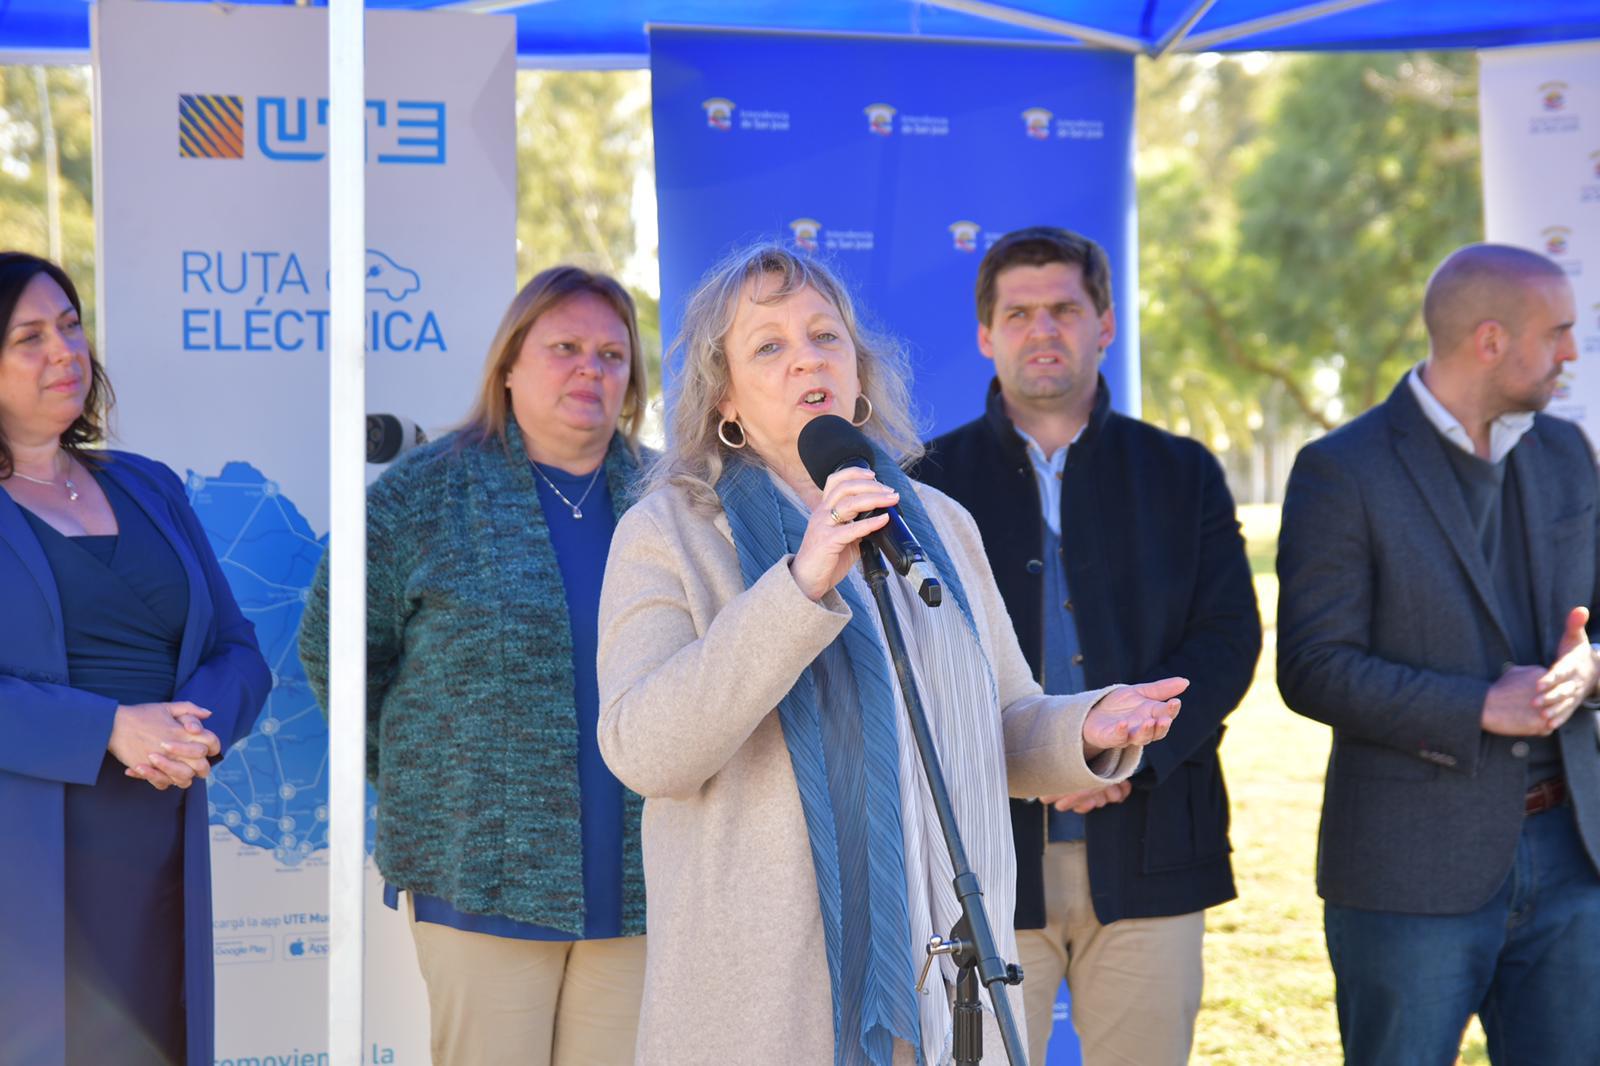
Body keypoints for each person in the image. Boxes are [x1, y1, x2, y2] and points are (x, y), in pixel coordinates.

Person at [596, 243, 1189, 1066]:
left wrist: (1089, 730)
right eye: (769, 345)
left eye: (825, 336)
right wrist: (800, 585)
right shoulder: (669, 534)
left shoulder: (937, 523)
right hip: (768, 1006)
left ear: (859, 371)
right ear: (723, 396)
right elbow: (645, 750)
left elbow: (998, 725)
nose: (807, 357)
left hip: (943, 985)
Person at [915, 226, 1260, 1066]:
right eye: (1019, 312)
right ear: (985, 334)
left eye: (1065, 309)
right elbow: (914, 665)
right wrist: (1045, 756)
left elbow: (1228, 638)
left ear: (1105, 322)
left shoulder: (1183, 472)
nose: (1043, 330)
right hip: (981, 867)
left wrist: (1127, 756)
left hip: (1153, 853)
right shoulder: (922, 481)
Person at [300, 265, 653, 1066]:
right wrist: (431, 775)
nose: (590, 370)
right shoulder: (422, 494)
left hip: (642, 887)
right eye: (564, 347)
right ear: (509, 363)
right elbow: (337, 650)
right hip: (480, 874)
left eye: (611, 355)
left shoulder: (674, 498)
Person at [1277, 243, 1600, 1066]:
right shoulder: (1340, 471)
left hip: (1574, 855)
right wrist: (1479, 706)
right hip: (1407, 875)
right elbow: (1312, 665)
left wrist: (1589, 666)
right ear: (1490, 340)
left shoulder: (1569, 454)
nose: (1571, 352)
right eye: (1557, 332)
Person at [0, 251, 271, 1066]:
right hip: (30, 852)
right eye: (30, 337)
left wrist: (195, 732)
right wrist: (110, 728)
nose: (65, 351)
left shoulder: (149, 486)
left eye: (72, 325)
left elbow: (239, 651)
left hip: (161, 838)